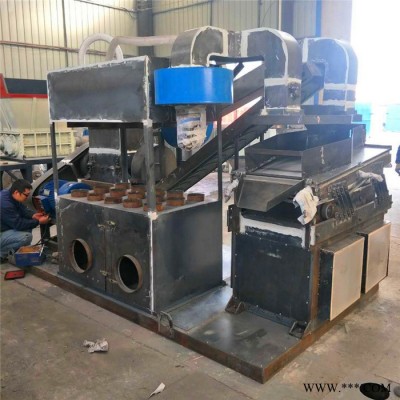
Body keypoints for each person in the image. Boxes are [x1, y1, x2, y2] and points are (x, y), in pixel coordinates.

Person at [0, 179, 49, 261]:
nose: (27, 198)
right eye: (26, 195)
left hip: (5, 227)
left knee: (28, 224)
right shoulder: (5, 204)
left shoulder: (10, 194)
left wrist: (33, 215)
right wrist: (38, 221)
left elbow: (23, 210)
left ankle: (18, 250)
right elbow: (18, 224)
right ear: (16, 192)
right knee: (26, 237)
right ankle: (2, 253)